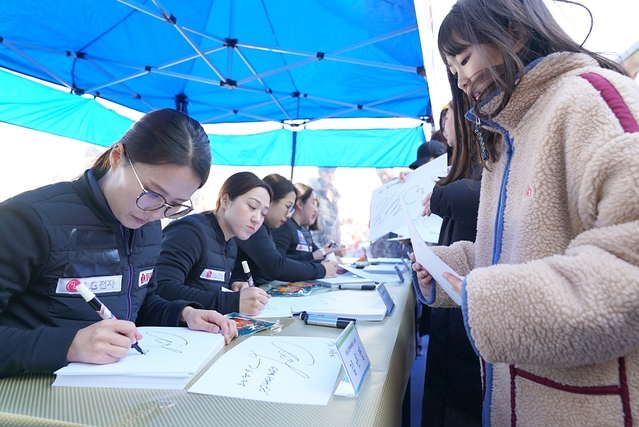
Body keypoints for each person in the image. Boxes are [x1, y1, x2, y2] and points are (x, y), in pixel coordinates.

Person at [412, 0, 639, 425]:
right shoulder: (505, 140)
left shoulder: (591, 100)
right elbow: (507, 256)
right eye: (452, 68)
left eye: (463, 58)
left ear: (513, 34)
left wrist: (484, 297)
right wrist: (442, 267)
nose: (460, 80)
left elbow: (629, 273)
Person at [0, 108, 237, 378]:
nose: (156, 213)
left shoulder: (149, 227)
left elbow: (136, 305)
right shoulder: (29, 220)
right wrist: (68, 345)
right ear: (117, 157)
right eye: (152, 194)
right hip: (27, 395)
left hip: (112, 389)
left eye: (174, 205)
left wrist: (183, 313)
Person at [420, 99, 484, 427]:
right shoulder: (461, 164)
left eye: (447, 120)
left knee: (460, 396)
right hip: (454, 292)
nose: (444, 129)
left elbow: (489, 200)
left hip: (471, 301)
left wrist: (439, 195)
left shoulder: (487, 160)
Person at [155, 172, 272, 316]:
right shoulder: (190, 232)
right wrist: (232, 301)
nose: (257, 219)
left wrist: (233, 285)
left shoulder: (231, 244)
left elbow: (202, 283)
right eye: (252, 207)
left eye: (263, 214)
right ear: (225, 200)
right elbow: (161, 286)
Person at [233, 174, 339, 286]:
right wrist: (321, 269)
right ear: (270, 200)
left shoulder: (265, 228)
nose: (289, 215)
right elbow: (277, 266)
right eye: (288, 207)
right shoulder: (255, 227)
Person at [272, 182, 345, 262]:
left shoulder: (303, 231)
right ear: (299, 204)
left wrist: (332, 252)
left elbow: (318, 254)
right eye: (313, 203)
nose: (316, 209)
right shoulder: (284, 227)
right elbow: (278, 262)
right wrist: (314, 257)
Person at [308, 167, 341, 245]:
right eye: (326, 172)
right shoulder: (314, 193)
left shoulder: (333, 194)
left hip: (332, 246)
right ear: (320, 172)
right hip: (319, 245)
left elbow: (335, 224)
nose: (330, 176)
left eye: (332, 172)